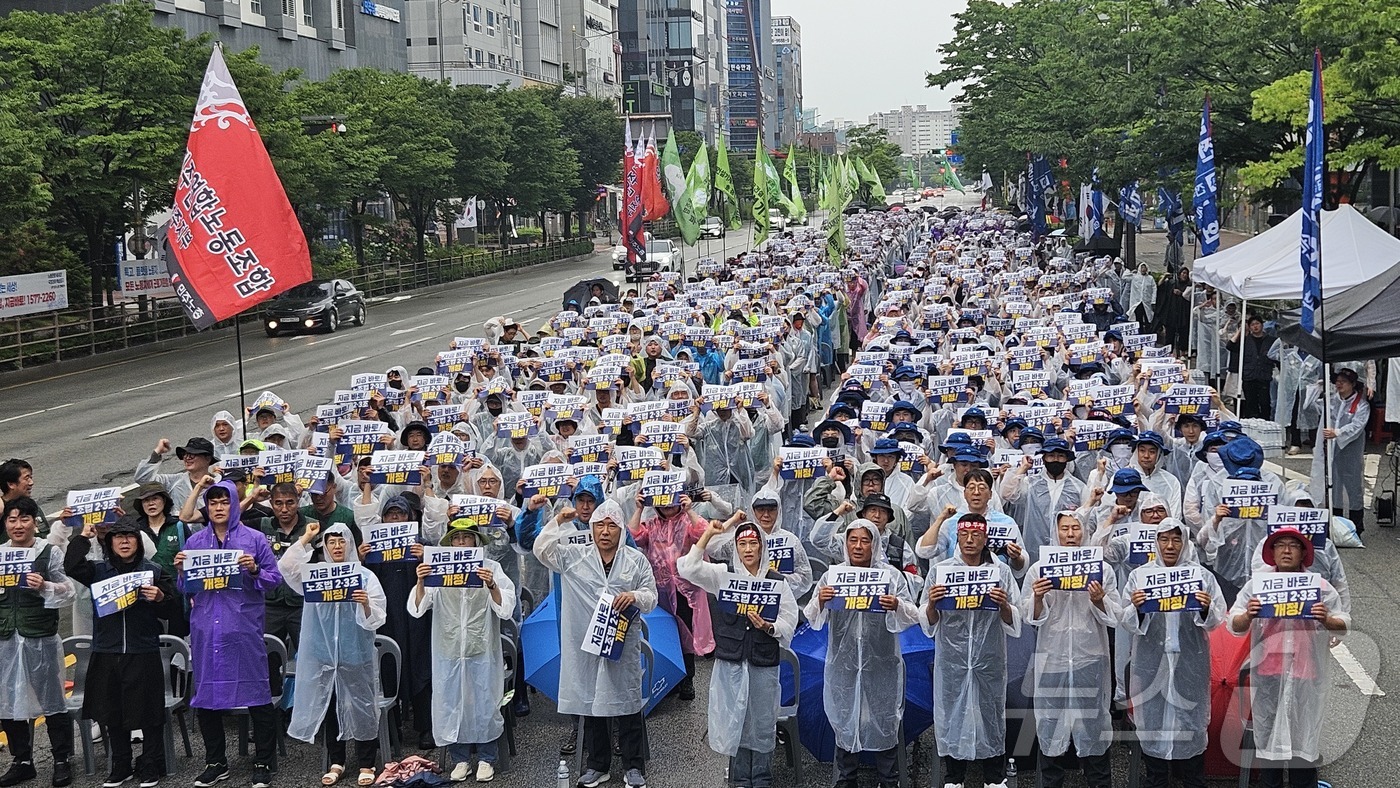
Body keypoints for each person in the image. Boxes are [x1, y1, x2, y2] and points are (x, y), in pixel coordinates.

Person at [533, 500, 658, 788]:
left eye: (612, 525)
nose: (605, 531)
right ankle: (597, 765)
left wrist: (635, 596)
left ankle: (633, 767)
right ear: (591, 529)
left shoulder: (635, 560)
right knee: (591, 703)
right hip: (586, 644)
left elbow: (652, 596)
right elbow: (541, 549)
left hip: (621, 644)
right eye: (599, 525)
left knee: (628, 703)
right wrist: (559, 521)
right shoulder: (575, 556)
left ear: (621, 530)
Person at [176, 478, 283, 788]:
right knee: (206, 694)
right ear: (207, 508)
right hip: (207, 629)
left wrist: (254, 571)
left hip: (243, 628)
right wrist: (182, 571)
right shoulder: (195, 543)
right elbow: (185, 588)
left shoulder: (254, 539)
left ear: (234, 504)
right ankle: (215, 762)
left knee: (257, 693)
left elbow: (274, 579)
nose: (218, 508)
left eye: (224, 502)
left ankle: (262, 760)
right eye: (213, 503)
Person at [678, 515, 798, 788]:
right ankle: (740, 779)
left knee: (763, 722)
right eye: (741, 543)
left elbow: (789, 619)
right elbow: (688, 568)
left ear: (761, 546)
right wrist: (707, 535)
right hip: (731, 661)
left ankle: (763, 779)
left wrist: (770, 627)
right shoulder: (723, 576)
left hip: (763, 661)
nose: (747, 549)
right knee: (737, 721)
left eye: (753, 543)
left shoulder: (776, 580)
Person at [1229, 528, 1349, 788]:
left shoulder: (1319, 587)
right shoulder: (1257, 586)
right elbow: (1234, 624)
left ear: (1303, 553)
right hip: (1268, 674)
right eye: (1280, 545)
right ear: (1271, 553)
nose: (1286, 550)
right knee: (1269, 742)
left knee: (1303, 743)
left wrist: (1327, 619)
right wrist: (1248, 615)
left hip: (1306, 674)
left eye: (1292, 546)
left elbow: (1344, 625)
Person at [804, 518, 919, 788]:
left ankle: (889, 780)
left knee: (884, 720)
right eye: (852, 540)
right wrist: (820, 600)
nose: (858, 546)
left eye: (865, 540)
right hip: (843, 665)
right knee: (846, 720)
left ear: (874, 544)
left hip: (882, 663)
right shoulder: (832, 576)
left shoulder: (890, 576)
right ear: (845, 544)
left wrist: (897, 605)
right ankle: (846, 780)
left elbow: (913, 614)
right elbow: (811, 617)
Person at [63, 519, 176, 788]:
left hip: (143, 649)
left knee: (148, 712)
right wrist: (83, 537)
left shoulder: (154, 571)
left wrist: (160, 597)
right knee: (113, 712)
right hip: (107, 650)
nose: (124, 542)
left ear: (138, 542)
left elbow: (174, 609)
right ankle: (121, 765)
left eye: (130, 537)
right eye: (118, 537)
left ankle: (150, 763)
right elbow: (72, 567)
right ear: (110, 543)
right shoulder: (98, 571)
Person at [278, 523, 386, 787]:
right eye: (331, 542)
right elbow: (286, 567)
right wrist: (306, 537)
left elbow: (379, 617)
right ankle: (336, 762)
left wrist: (365, 604)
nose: (337, 547)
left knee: (362, 707)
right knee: (330, 708)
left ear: (350, 544)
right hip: (324, 656)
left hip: (355, 654)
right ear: (325, 547)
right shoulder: (314, 576)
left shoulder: (365, 576)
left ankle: (366, 762)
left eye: (342, 541)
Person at [1122, 518, 1225, 788]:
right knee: (1153, 728)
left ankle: (1192, 781)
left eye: (1176, 539)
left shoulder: (1201, 576)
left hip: (1189, 666)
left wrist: (1205, 607)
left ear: (1184, 542)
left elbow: (1217, 619)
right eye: (1164, 539)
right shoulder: (1140, 576)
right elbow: (1126, 620)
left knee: (1190, 727)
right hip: (1151, 664)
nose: (1170, 545)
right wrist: (1138, 607)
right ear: (1156, 542)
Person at [410, 520, 516, 784]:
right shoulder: (438, 569)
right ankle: (459, 758)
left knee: (483, 702)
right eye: (455, 539)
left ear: (476, 542)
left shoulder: (491, 568)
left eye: (466, 538)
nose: (461, 543)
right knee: (451, 701)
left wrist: (492, 586)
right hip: (448, 649)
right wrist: (421, 581)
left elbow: (506, 609)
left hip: (481, 649)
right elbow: (418, 608)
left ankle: (486, 757)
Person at [1021, 512, 1121, 788]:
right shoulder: (1040, 569)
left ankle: (1099, 783)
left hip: (1090, 658)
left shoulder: (1102, 569)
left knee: (1094, 726)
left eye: (1075, 528)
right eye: (1064, 528)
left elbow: (1116, 616)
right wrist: (1038, 596)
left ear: (1084, 532)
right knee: (1050, 726)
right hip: (1052, 658)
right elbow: (1029, 616)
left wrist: (1100, 600)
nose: (1070, 534)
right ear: (1055, 532)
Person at [921, 513, 1021, 788]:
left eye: (976, 534)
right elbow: (927, 620)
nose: (969, 539)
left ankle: (994, 776)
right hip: (952, 660)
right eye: (964, 534)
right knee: (953, 713)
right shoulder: (940, 572)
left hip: (989, 658)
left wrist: (1003, 605)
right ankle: (955, 777)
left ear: (985, 537)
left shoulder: (1000, 572)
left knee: (990, 713)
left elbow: (1017, 617)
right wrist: (931, 604)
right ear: (957, 536)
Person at [0, 496, 77, 788]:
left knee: (52, 699)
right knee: (7, 699)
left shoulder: (48, 552)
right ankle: (21, 761)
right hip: (6, 638)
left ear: (35, 522)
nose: (18, 525)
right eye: (12, 519)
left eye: (24, 519)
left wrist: (45, 586)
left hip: (39, 636)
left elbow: (68, 591)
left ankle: (61, 759)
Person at [1309, 367, 1370, 528]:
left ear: (1353, 384)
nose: (1339, 384)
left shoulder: (1361, 405)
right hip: (1331, 451)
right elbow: (1309, 407)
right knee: (1333, 485)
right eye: (1337, 381)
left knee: (1353, 486)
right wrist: (1316, 390)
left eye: (1343, 381)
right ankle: (1336, 525)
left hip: (1350, 452)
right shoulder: (1331, 400)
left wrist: (1338, 432)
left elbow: (1357, 427)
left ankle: (1356, 526)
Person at [135, 438, 217, 511]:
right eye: (185, 454)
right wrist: (157, 452)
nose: (187, 458)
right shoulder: (174, 481)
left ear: (208, 458)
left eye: (193, 454)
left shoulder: (219, 483)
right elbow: (143, 479)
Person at [1232, 315, 1276, 420]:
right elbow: (1230, 346)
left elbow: (1278, 357)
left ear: (1262, 325)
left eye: (1257, 324)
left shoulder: (1271, 340)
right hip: (1249, 376)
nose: (1255, 326)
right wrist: (1240, 331)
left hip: (1264, 376)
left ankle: (1265, 424)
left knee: (1265, 403)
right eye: (1252, 325)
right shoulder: (1245, 340)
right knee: (1250, 404)